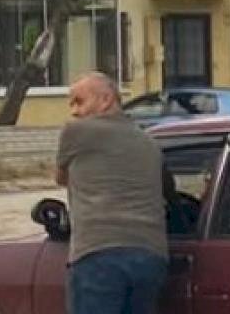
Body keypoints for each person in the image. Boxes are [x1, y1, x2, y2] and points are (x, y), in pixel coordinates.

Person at [56, 71, 168, 314]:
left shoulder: (75, 132)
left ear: (106, 100)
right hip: (151, 257)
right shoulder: (149, 141)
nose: (74, 111)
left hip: (98, 254)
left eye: (79, 101)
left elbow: (61, 178)